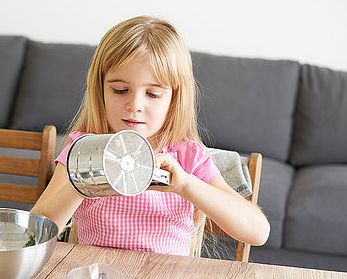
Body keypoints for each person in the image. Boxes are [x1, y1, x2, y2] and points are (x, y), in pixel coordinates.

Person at [31, 16, 270, 256]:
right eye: (120, 90)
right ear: (100, 89)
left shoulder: (187, 157)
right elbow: (36, 233)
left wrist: (186, 185)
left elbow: (257, 232)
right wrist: (83, 183)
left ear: (174, 98)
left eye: (153, 94)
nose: (134, 105)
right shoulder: (83, 149)